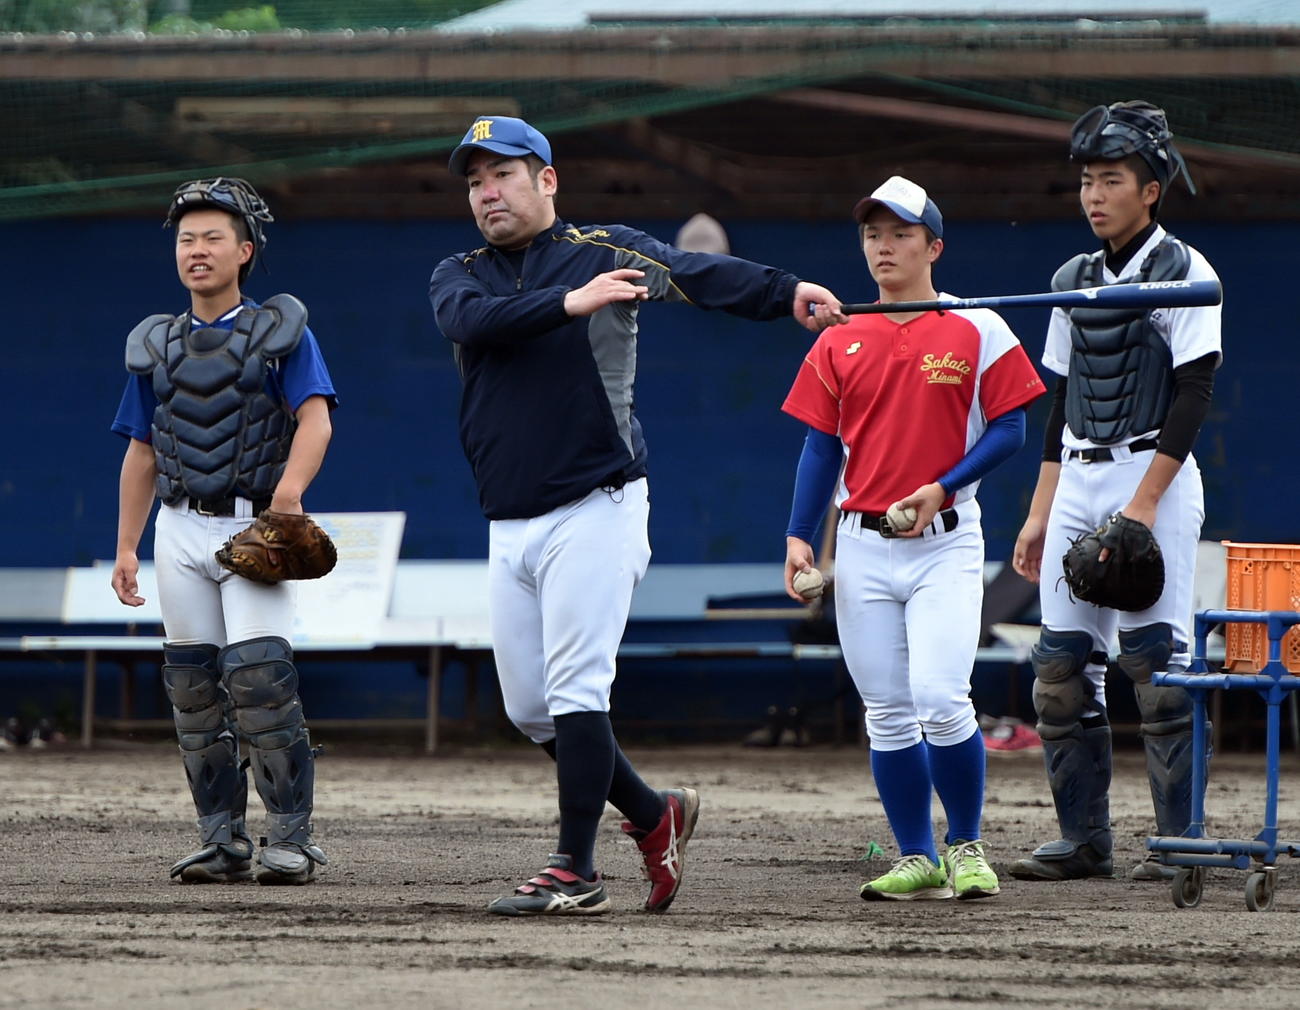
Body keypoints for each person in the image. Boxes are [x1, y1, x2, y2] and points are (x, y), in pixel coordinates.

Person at [429, 115, 845, 917]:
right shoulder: (460, 271)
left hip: (600, 502)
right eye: (475, 180)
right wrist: (570, 303)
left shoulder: (606, 249)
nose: (487, 191)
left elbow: (698, 273)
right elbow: (468, 324)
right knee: (529, 709)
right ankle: (657, 815)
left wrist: (787, 290)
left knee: (579, 689)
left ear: (546, 180)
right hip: (510, 521)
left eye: (503, 174)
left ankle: (574, 870)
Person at [781, 176, 1046, 901]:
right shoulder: (841, 333)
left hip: (945, 541)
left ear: (934, 245)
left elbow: (1013, 427)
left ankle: (965, 846)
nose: (883, 246)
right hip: (863, 546)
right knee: (888, 712)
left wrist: (942, 486)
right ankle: (916, 855)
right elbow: (819, 448)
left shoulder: (979, 325)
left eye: (900, 233)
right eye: (872, 234)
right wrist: (799, 538)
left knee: (939, 695)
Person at [1008, 102, 1221, 883]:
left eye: (1112, 180)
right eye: (1088, 181)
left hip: (1147, 471)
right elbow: (1059, 400)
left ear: (1151, 189)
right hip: (1076, 471)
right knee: (1060, 669)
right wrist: (1038, 516)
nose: (1095, 194)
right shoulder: (1071, 278)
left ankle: (1179, 841)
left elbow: (1195, 393)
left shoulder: (1188, 270)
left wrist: (1144, 503)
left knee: (1156, 667)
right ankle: (1085, 841)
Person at [110, 177, 338, 885]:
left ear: (244, 251)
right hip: (178, 527)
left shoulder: (279, 334)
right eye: (186, 239)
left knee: (261, 680)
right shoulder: (157, 344)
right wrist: (125, 545)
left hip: (252, 525)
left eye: (213, 238)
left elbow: (316, 418)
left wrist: (289, 496)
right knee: (192, 688)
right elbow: (141, 449)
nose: (197, 250)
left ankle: (292, 839)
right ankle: (223, 838)